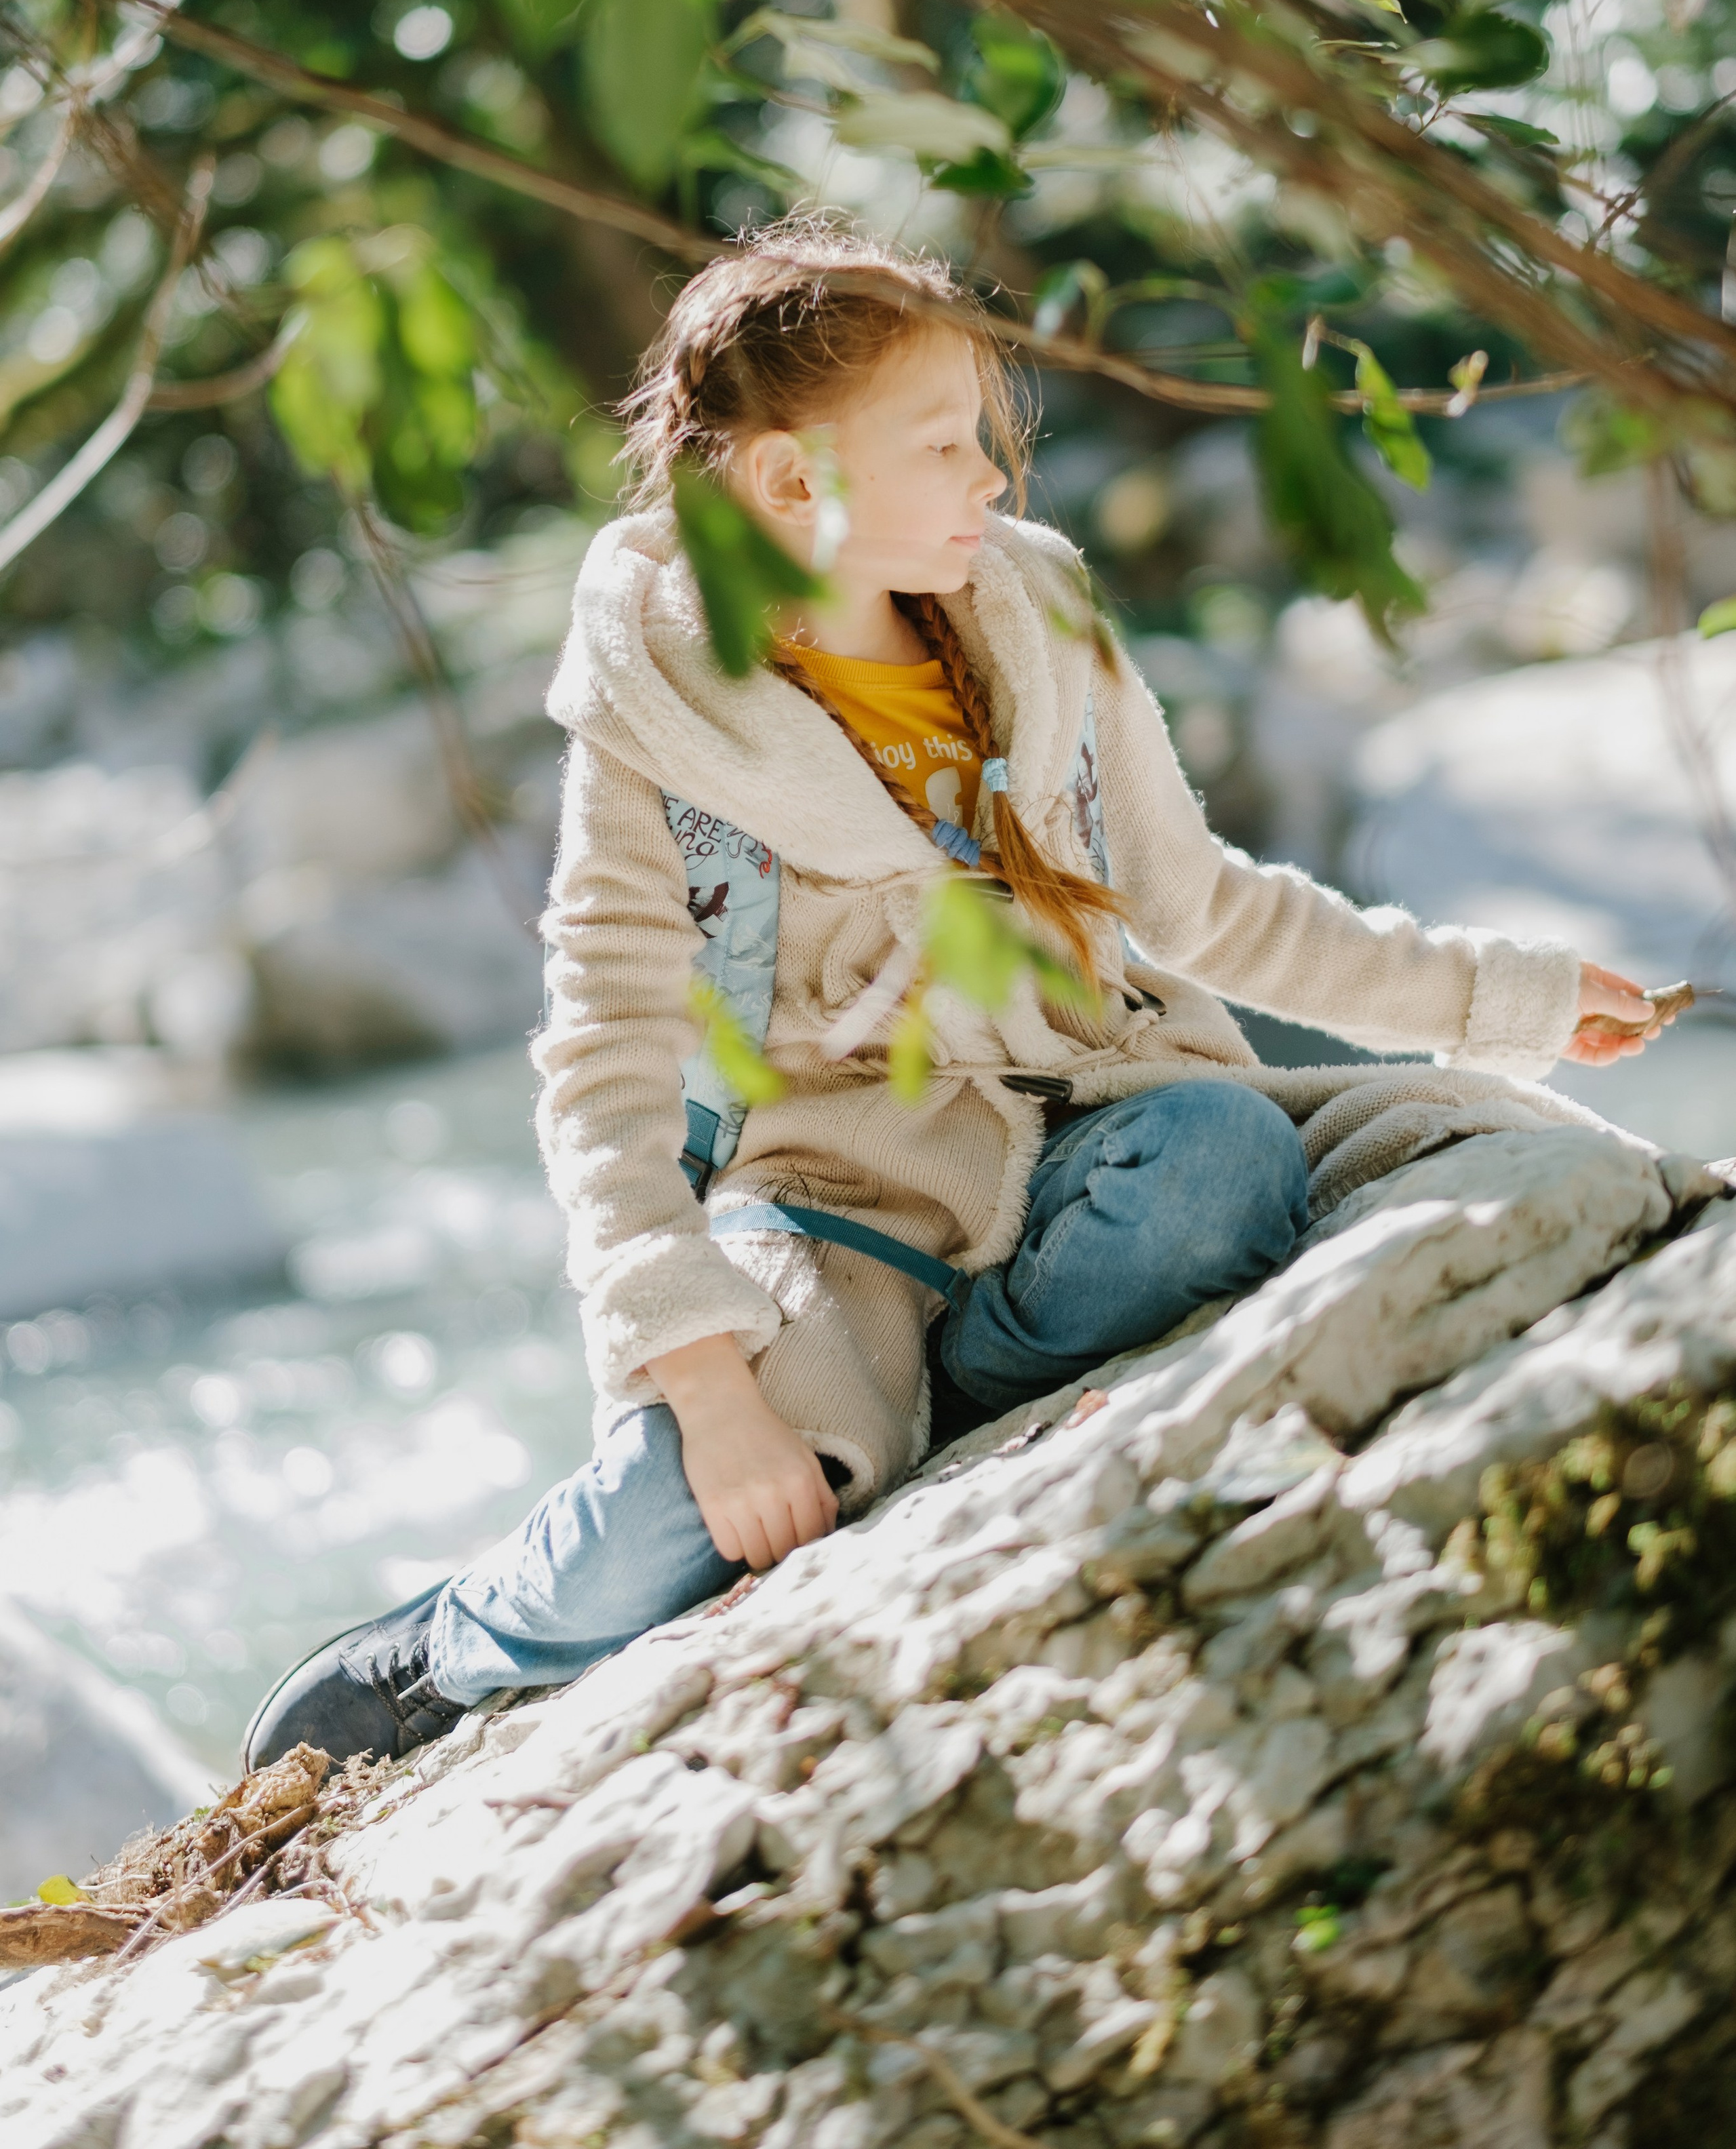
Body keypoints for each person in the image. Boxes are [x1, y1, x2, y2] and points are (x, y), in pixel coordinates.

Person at [244, 224, 1658, 1769]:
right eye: (941, 446)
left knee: (1219, 1173)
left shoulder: (1036, 619)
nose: (990, 477)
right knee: (678, 1518)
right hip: (838, 1197)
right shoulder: (654, 720)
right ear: (792, 483)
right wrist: (706, 1388)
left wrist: (1499, 997)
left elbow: (1205, 908)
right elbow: (606, 1066)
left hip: (1080, 1125)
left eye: (984, 439)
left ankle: (944, 1388)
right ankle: (446, 1651)